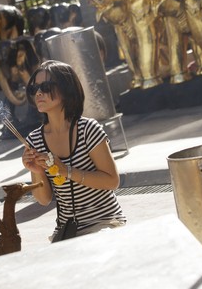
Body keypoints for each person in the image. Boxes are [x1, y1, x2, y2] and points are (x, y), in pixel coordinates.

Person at [21, 60, 126, 241]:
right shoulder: (35, 140)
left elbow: (112, 181)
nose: (38, 93)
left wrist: (66, 171)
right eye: (34, 88)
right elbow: (43, 199)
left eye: (45, 86)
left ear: (65, 89)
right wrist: (36, 171)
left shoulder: (88, 129)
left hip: (104, 222)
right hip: (67, 230)